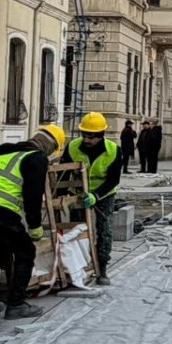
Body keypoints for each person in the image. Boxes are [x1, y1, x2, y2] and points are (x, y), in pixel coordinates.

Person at [0, 125, 64, 319]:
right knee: (26, 252)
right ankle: (16, 304)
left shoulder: (2, 149)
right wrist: (35, 226)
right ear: (51, 147)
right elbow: (32, 196)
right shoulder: (37, 158)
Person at [63, 112, 123, 285]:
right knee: (77, 230)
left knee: (104, 230)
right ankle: (79, 267)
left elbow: (113, 180)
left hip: (104, 194)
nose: (87, 140)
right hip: (79, 193)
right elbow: (64, 173)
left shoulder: (113, 150)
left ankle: (101, 267)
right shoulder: (72, 147)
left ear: (101, 135)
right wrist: (61, 196)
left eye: (91, 136)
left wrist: (96, 196)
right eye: (84, 135)